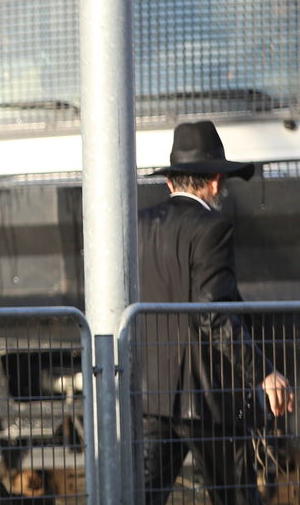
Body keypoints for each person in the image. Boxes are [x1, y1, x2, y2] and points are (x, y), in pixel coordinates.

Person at [138, 120, 295, 505]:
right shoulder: (212, 227)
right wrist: (264, 373)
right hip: (210, 400)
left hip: (154, 398)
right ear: (215, 182)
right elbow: (215, 315)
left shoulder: (139, 226)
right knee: (236, 497)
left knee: (143, 495)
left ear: (170, 182)